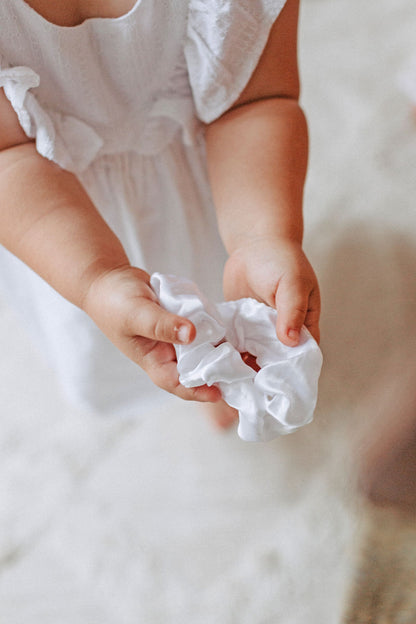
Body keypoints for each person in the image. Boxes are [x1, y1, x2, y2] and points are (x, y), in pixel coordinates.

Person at [0, 0, 320, 427]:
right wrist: (97, 280)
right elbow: (8, 158)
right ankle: (206, 371)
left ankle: (226, 374)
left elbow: (256, 100)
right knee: (128, 331)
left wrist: (261, 238)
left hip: (217, 186)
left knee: (223, 291)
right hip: (60, 228)